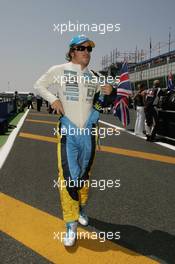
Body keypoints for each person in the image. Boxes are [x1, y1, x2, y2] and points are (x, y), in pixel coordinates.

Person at [34, 35, 112, 247]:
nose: (86, 52)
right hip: (68, 132)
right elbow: (39, 86)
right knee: (69, 176)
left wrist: (109, 92)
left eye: (89, 49)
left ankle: (81, 208)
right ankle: (70, 223)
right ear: (72, 51)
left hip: (89, 133)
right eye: (82, 48)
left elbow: (102, 100)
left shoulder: (95, 76)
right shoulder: (58, 69)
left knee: (85, 175)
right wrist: (54, 99)